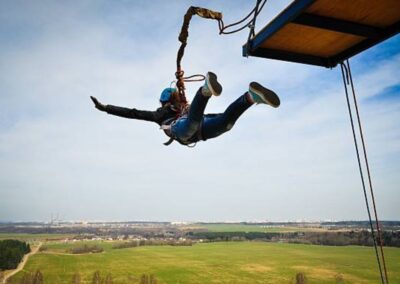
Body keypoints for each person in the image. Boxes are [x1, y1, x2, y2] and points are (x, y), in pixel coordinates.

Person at [90, 72, 280, 146]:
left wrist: (181, 96)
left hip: (193, 128)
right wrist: (106, 107)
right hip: (187, 130)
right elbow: (131, 113)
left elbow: (131, 113)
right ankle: (245, 96)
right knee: (208, 124)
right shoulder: (160, 115)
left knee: (225, 123)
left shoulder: (183, 106)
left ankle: (249, 97)